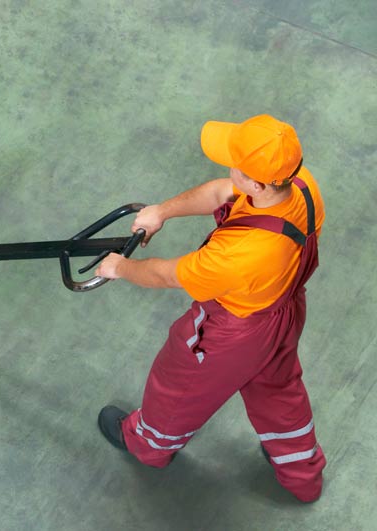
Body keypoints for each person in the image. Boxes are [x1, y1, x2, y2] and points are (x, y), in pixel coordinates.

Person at [94, 114, 326, 502]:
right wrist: (161, 211)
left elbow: (169, 275)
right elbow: (222, 192)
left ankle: (148, 445)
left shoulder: (238, 255)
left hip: (232, 333)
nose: (228, 167)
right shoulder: (302, 186)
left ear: (256, 182)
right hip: (282, 311)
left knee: (179, 385)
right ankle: (302, 473)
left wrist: (120, 267)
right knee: (278, 389)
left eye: (236, 163)